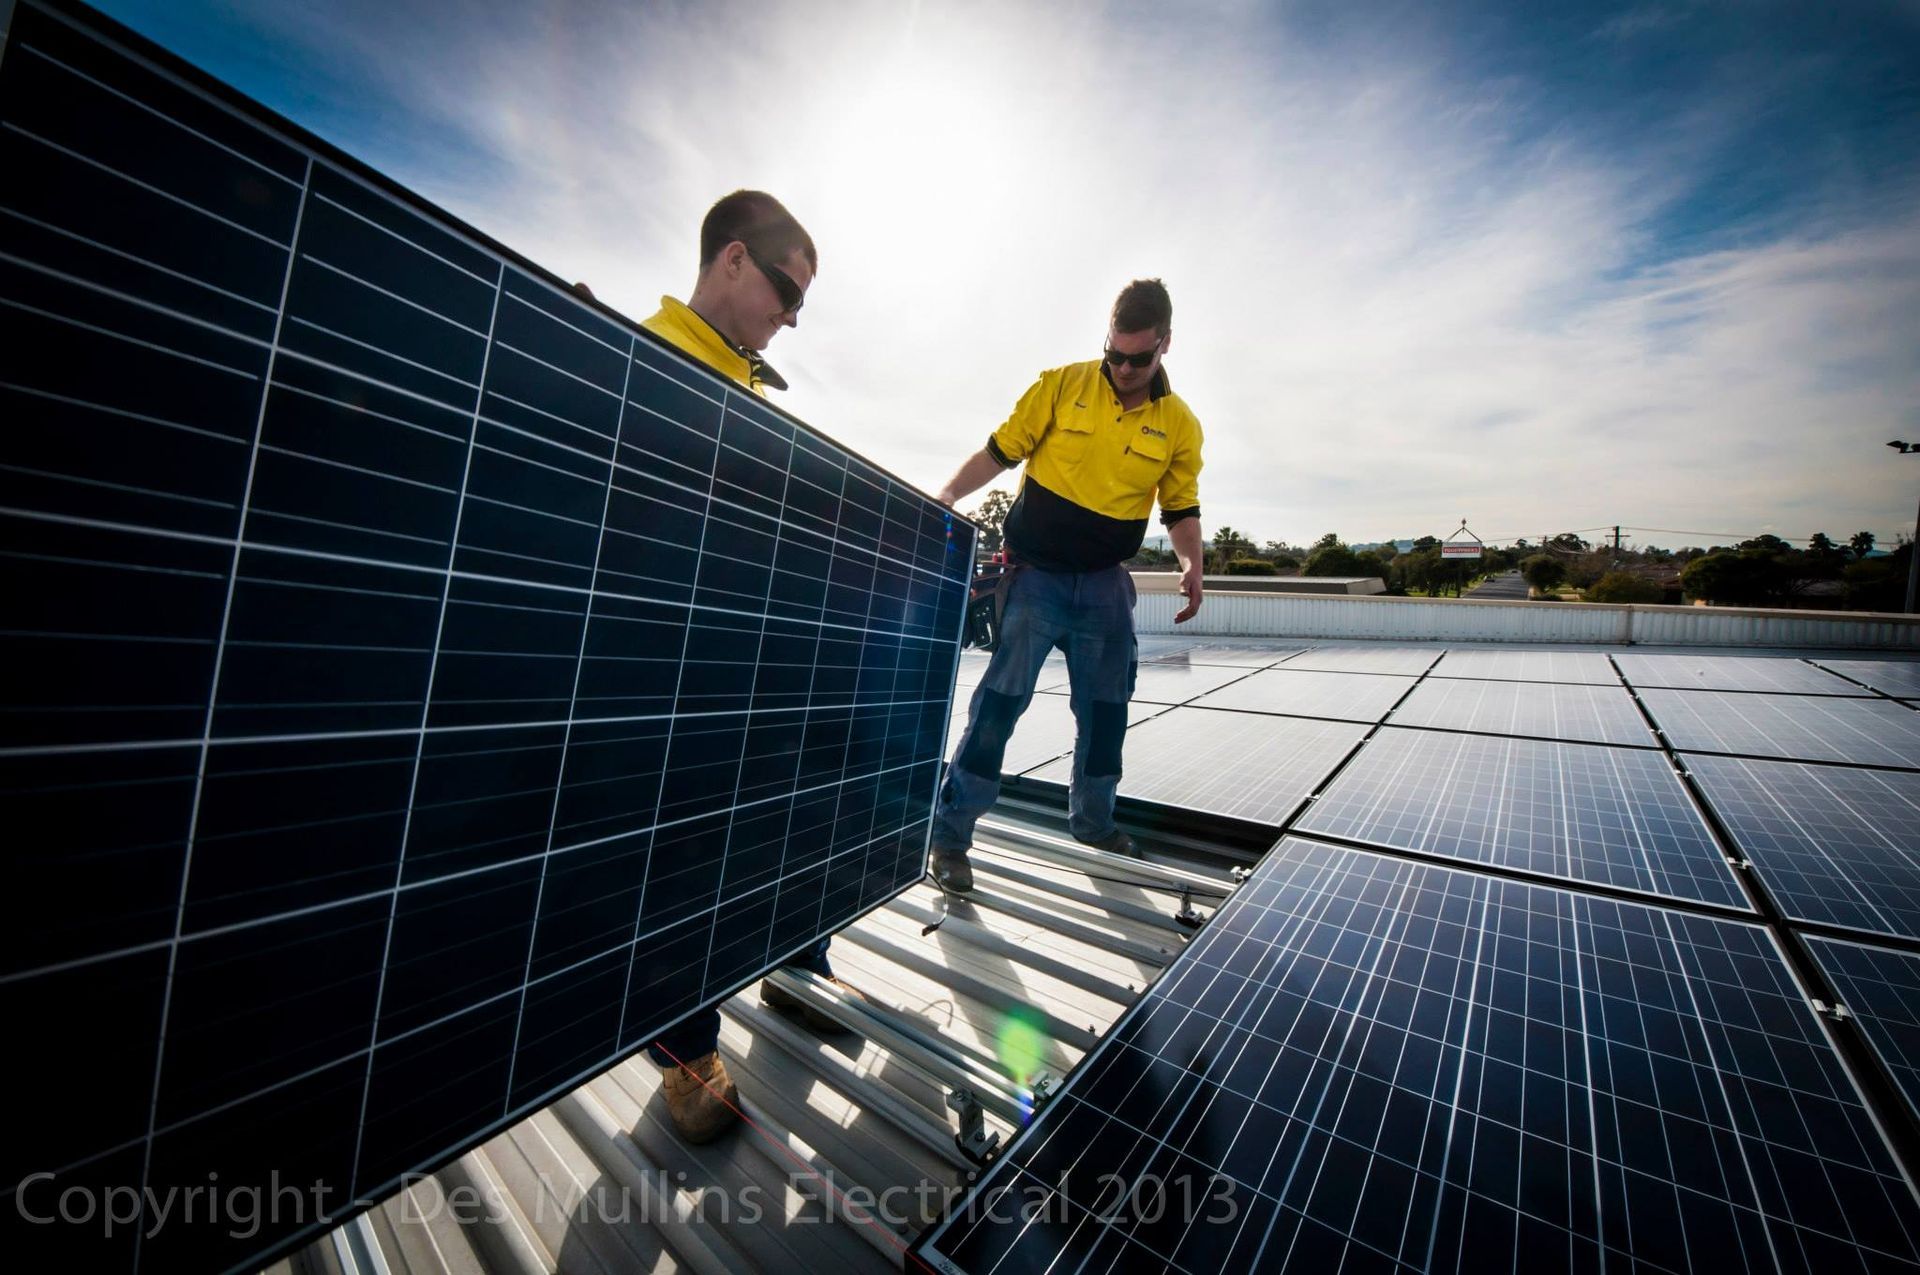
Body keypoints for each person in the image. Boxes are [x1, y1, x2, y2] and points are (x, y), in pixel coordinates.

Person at [626, 190, 859, 1145]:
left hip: (759, 653)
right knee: (677, 851)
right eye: (786, 290)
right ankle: (687, 1051)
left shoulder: (755, 391)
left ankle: (796, 961)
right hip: (670, 666)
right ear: (731, 259)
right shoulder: (634, 357)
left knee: (809, 793)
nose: (793, 316)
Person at [927, 279, 1205, 891]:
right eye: (1114, 354)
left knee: (1105, 715)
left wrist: (1192, 563)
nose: (1124, 368)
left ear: (1165, 346)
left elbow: (1181, 508)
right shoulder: (1060, 385)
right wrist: (948, 494)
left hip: (1105, 588)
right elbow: (997, 453)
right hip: (1035, 580)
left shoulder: (1180, 424)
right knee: (998, 708)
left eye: (1139, 358)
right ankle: (949, 838)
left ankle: (1094, 824)